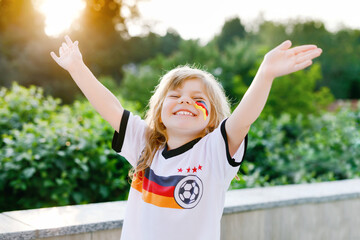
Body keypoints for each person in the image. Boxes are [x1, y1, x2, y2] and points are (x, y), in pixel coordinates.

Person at [51, 36, 322, 240]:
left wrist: (265, 74)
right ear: (158, 113)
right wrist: (76, 67)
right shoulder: (145, 144)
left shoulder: (214, 152)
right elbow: (109, 105)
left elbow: (243, 117)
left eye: (198, 99)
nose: (186, 102)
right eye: (175, 95)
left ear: (212, 120)